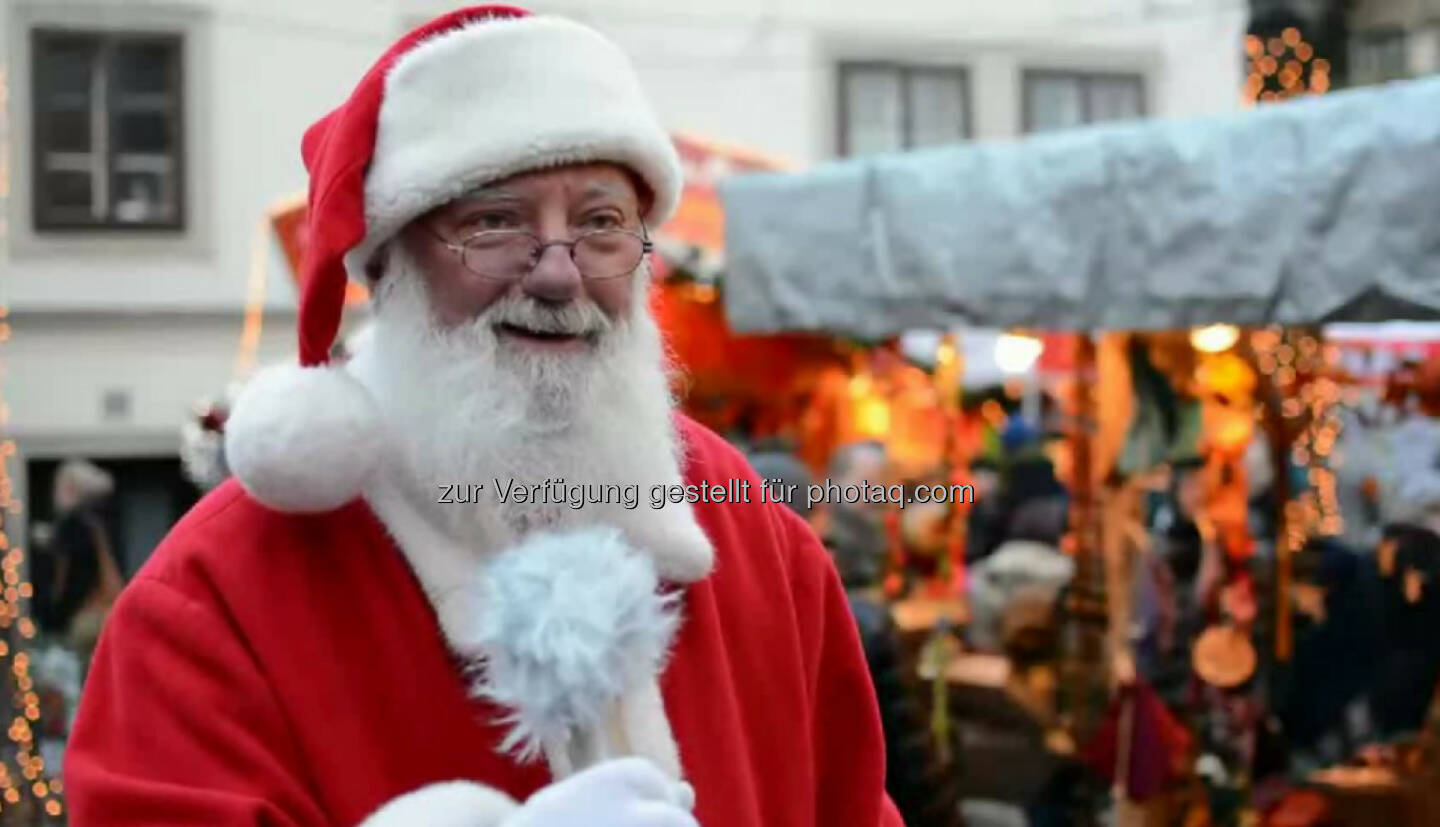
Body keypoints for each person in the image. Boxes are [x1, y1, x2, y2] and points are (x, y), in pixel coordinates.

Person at [66, 8, 898, 827]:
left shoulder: (755, 539)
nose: (558, 275)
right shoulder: (213, 602)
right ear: (390, 264)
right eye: (493, 223)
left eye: (602, 223)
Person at [34, 459, 124, 672]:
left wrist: (54, 612)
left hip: (83, 616)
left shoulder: (70, 527)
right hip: (103, 611)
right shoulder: (99, 525)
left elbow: (61, 579)